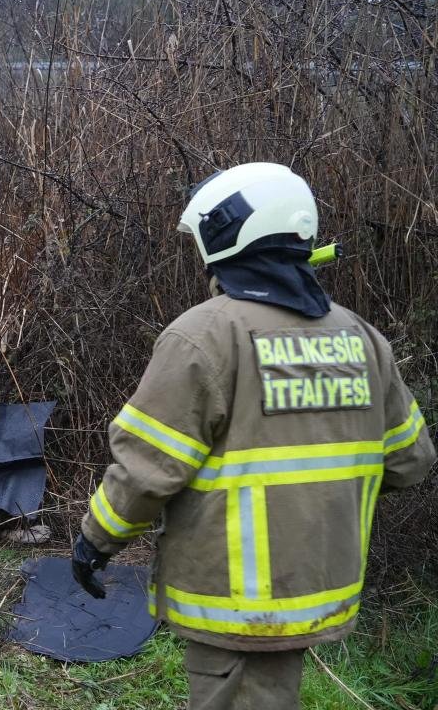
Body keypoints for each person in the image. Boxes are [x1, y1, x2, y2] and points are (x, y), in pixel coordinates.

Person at [72, 163, 434, 710]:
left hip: (235, 597)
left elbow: (147, 469)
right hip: (320, 583)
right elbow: (410, 461)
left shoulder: (204, 337)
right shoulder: (361, 337)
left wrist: (96, 539)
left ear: (227, 234)